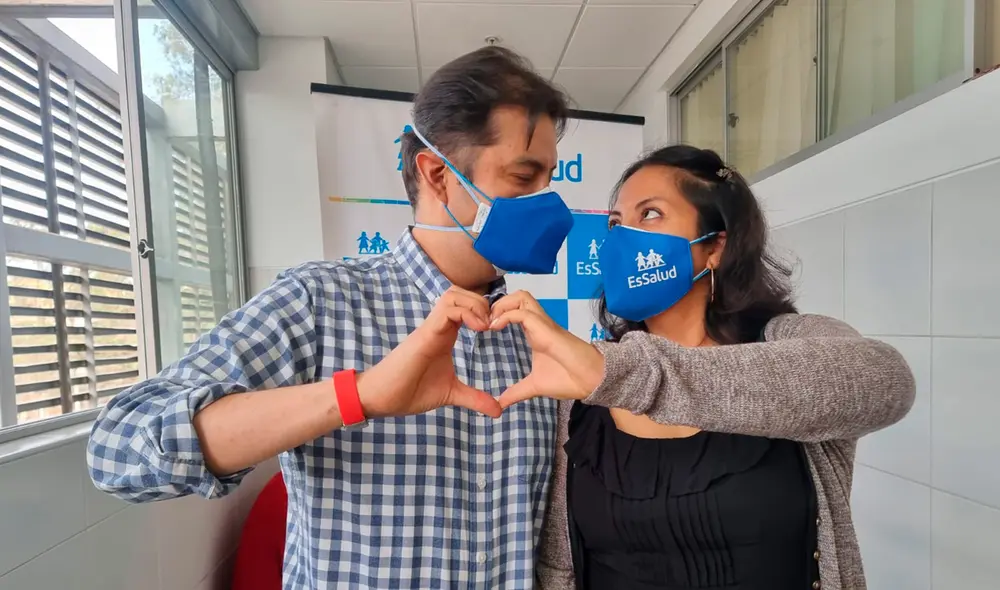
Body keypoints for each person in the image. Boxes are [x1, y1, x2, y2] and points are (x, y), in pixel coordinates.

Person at [86, 45, 910, 588]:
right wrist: (356, 395)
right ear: (436, 175)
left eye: (551, 176)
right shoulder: (322, 302)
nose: (550, 202)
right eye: (524, 178)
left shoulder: (538, 349)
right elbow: (121, 450)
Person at [487, 146, 916, 590]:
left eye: (650, 214)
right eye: (615, 223)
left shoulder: (787, 340)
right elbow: (560, 567)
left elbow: (887, 381)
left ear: (715, 246)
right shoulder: (591, 385)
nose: (622, 238)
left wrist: (631, 376)